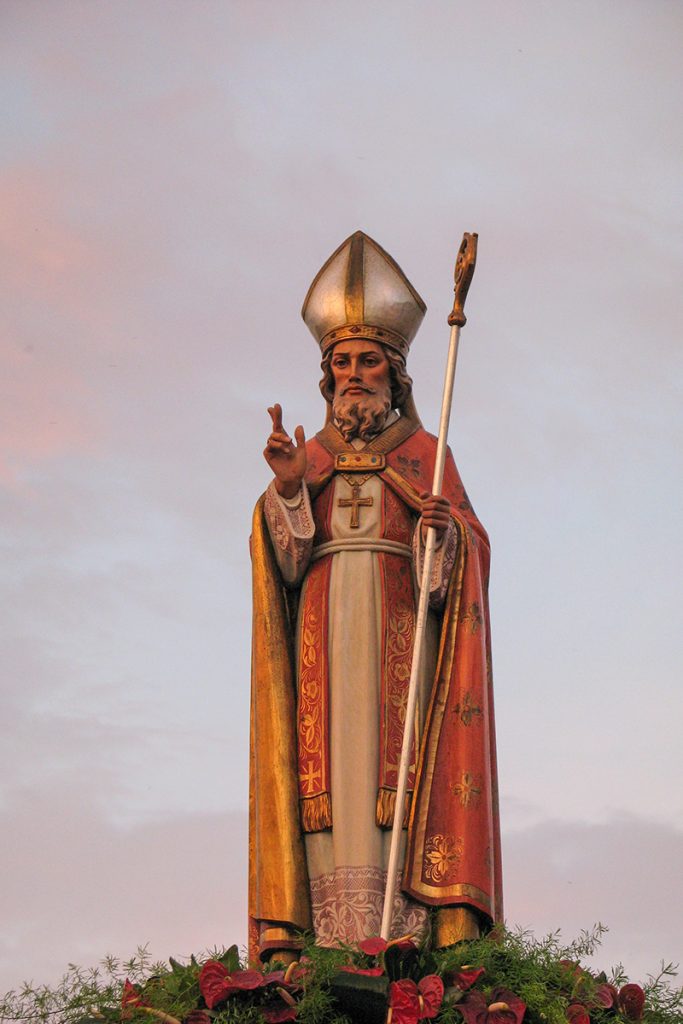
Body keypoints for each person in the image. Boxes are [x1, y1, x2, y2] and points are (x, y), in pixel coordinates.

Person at [249, 231, 502, 963]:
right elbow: (284, 567)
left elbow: (462, 571)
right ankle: (323, 946)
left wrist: (440, 534)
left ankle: (406, 941)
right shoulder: (310, 458)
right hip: (321, 642)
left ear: (394, 372)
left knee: (396, 775)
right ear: (326, 377)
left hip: (400, 633)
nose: (353, 374)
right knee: (324, 785)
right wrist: (292, 491)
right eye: (341, 363)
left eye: (367, 361)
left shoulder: (429, 457)